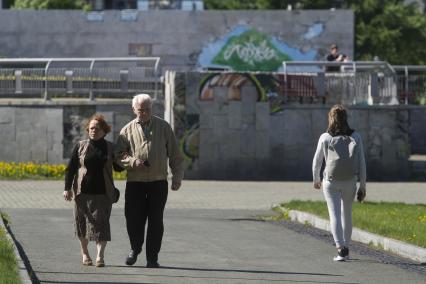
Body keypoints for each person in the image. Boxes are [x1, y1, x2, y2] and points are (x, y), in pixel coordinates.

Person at [115, 93, 184, 268]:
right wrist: (132, 161)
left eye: (147, 110)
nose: (144, 113)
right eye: (141, 110)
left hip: (158, 182)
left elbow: (175, 155)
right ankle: (135, 249)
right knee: (133, 218)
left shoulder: (163, 127)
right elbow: (118, 155)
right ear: (133, 110)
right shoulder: (126, 130)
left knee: (155, 221)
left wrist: (177, 177)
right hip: (135, 182)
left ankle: (152, 258)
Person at [63, 114, 120, 267]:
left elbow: (119, 168)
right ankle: (85, 253)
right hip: (82, 193)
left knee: (101, 225)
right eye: (91, 128)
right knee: (82, 224)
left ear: (104, 130)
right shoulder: (81, 145)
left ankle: (100, 256)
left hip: (103, 193)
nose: (93, 130)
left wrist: (125, 155)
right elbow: (71, 168)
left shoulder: (110, 147)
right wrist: (67, 188)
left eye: (97, 128)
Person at [312, 104, 366, 261]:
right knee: (346, 213)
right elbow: (362, 162)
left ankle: (340, 249)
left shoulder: (325, 137)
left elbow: (317, 160)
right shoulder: (356, 136)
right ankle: (346, 249)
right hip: (350, 181)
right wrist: (362, 185)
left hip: (330, 181)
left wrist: (316, 178)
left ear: (331, 118)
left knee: (334, 214)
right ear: (346, 118)